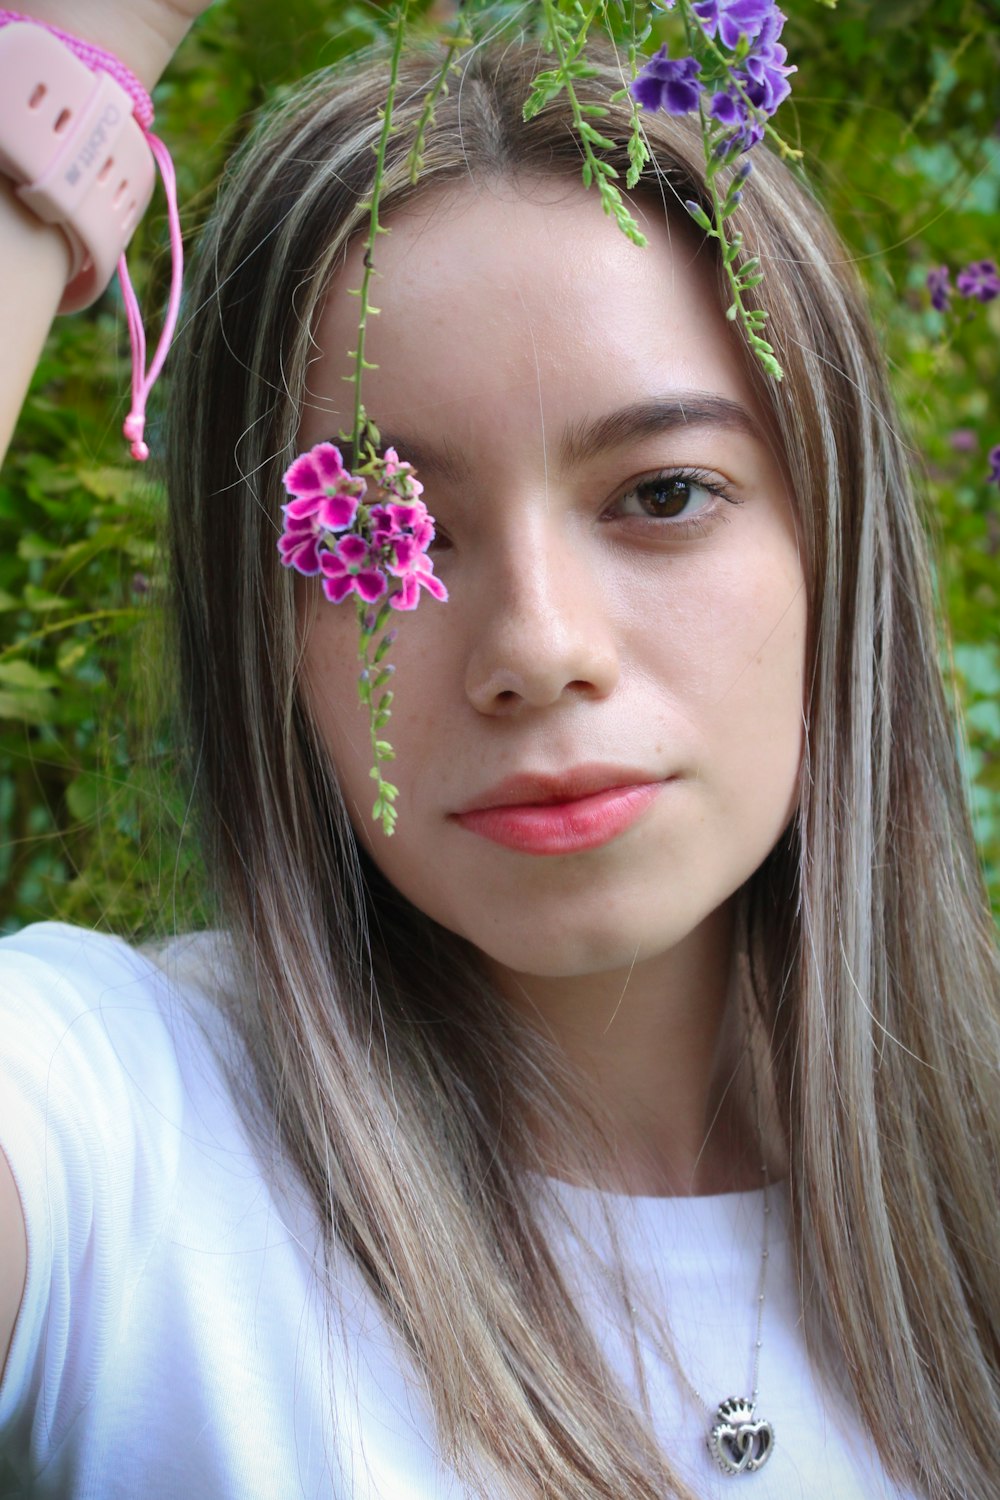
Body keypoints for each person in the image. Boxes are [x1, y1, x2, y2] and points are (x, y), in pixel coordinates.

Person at [1, 4, 998, 1497]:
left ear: (832, 547)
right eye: (380, 529)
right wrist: (68, 76)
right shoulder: (118, 1130)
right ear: (261, 634)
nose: (538, 646)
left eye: (662, 492)